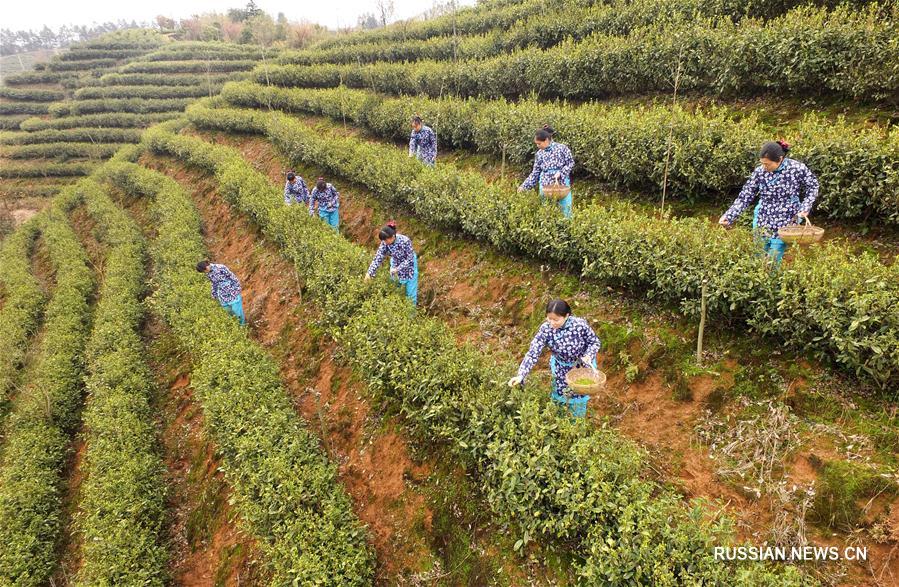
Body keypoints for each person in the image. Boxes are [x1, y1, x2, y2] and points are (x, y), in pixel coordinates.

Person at [719, 140, 819, 267]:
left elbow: (813, 186)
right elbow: (745, 195)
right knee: (758, 255)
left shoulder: (797, 168)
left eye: (768, 164)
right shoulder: (760, 172)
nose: (765, 167)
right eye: (762, 164)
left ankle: (773, 284)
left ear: (780, 159)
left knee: (773, 258)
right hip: (764, 218)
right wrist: (729, 215)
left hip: (786, 220)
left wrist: (805, 207)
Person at [507, 299, 601, 418]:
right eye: (549, 318)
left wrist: (588, 355)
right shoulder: (546, 329)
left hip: (580, 368)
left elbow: (594, 342)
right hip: (560, 368)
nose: (552, 322)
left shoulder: (579, 325)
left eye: (556, 320)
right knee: (560, 398)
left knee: (578, 398)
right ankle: (559, 422)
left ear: (567, 316)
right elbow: (533, 352)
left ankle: (576, 425)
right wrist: (521, 375)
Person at [517, 125, 575, 218]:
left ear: (546, 140)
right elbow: (535, 173)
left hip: (561, 184)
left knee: (566, 212)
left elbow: (570, 163)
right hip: (545, 186)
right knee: (546, 213)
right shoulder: (539, 154)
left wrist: (561, 172)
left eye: (539, 143)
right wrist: (524, 186)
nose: (538, 146)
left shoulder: (562, 148)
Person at [365, 221, 419, 306]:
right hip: (395, 264)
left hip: (409, 266)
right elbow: (378, 257)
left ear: (393, 237)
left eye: (386, 240)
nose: (384, 242)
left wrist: (397, 269)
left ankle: (410, 316)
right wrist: (370, 273)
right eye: (383, 240)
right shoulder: (385, 243)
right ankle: (396, 310)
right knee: (394, 290)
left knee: (411, 294)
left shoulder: (405, 241)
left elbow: (409, 259)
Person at [196, 260, 246, 326]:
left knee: (237, 311)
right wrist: (213, 294)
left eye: (205, 270)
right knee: (229, 311)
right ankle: (236, 326)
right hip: (222, 295)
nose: (205, 272)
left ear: (206, 266)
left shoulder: (220, 267)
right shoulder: (208, 274)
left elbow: (232, 277)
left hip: (232, 292)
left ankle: (243, 325)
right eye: (203, 272)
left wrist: (237, 288)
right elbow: (213, 284)